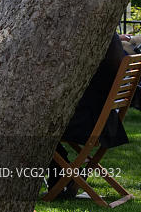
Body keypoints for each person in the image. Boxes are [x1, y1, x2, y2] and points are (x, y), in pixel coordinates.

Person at [47, 33, 128, 197]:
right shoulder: (109, 39)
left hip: (88, 123)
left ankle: (62, 176)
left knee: (35, 127)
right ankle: (63, 177)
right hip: (105, 121)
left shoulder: (93, 40)